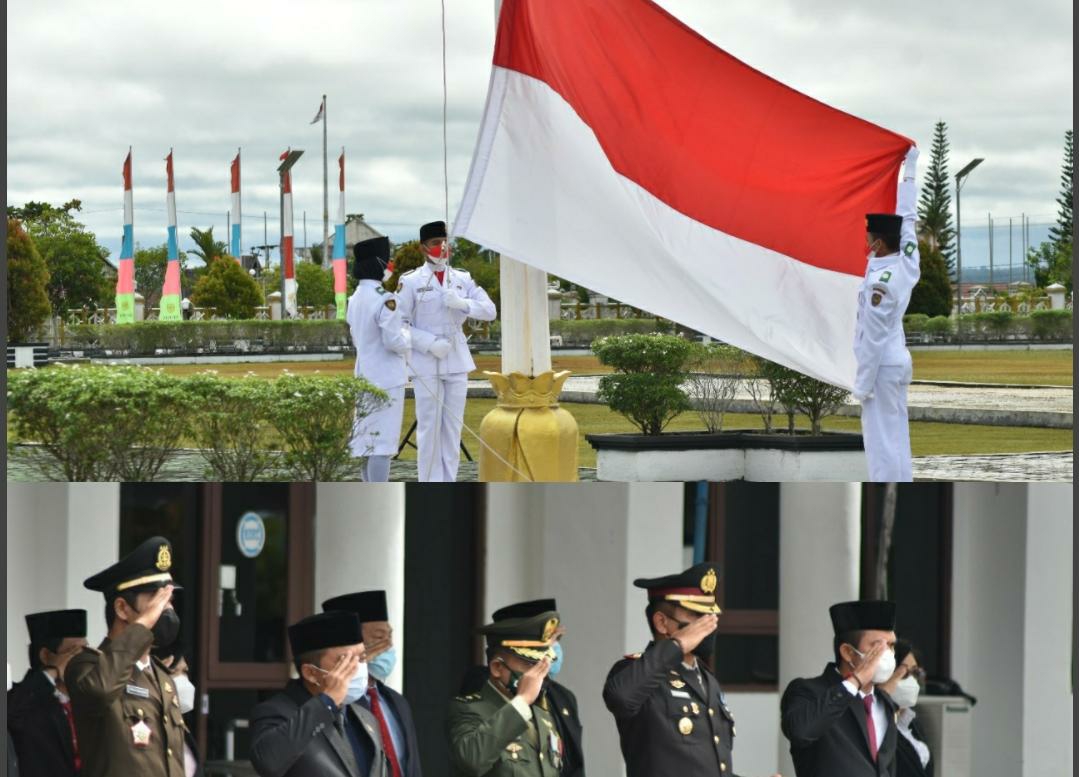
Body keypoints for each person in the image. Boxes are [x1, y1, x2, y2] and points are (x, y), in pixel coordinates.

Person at [604, 563, 771, 777]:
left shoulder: (706, 678)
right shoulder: (636, 672)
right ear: (662, 623)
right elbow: (620, 697)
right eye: (697, 616)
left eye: (710, 615)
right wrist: (676, 646)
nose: (709, 624)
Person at [65, 536, 188, 777]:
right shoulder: (86, 666)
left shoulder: (162, 678)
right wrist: (142, 626)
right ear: (122, 608)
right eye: (156, 599)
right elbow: (100, 690)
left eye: (169, 600)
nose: (167, 609)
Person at [396, 220, 497, 482]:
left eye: (444, 242)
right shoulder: (410, 282)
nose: (441, 247)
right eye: (435, 243)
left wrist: (463, 303)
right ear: (422, 248)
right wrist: (427, 343)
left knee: (453, 428)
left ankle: (448, 481)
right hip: (426, 361)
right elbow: (400, 324)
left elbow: (490, 311)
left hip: (456, 358)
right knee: (429, 428)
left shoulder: (461, 278)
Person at [249, 611, 388, 777]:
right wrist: (326, 702)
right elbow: (268, 762)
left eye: (361, 658)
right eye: (345, 661)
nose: (356, 668)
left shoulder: (365, 717)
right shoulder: (277, 712)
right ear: (311, 673)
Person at [854, 146, 921, 482]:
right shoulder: (906, 262)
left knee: (882, 445)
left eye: (869, 236)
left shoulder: (883, 280)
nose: (865, 240)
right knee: (896, 437)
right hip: (897, 361)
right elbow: (908, 217)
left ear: (879, 244)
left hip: (882, 366)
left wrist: (862, 384)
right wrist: (909, 170)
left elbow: (874, 336)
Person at [458, 600, 584, 777]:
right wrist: (522, 700)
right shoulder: (481, 687)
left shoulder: (559, 697)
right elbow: (473, 758)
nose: (550, 656)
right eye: (532, 659)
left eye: (556, 641)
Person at [780, 600, 900, 777]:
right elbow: (800, 732)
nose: (887, 654)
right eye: (877, 646)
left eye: (891, 646)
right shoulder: (809, 691)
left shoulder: (885, 703)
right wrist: (856, 681)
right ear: (848, 652)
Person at [322, 590, 423, 777]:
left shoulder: (397, 702)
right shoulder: (336, 705)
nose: (388, 646)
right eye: (379, 637)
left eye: (390, 637)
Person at [347, 236, 411, 482]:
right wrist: (408, 337)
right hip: (386, 378)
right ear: (378, 262)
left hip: (364, 375)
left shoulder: (355, 298)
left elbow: (356, 337)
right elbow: (393, 341)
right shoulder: (385, 299)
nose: (390, 265)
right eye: (388, 260)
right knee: (382, 446)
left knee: (366, 444)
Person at [8, 609, 88, 777]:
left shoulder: (87, 699)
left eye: (85, 651)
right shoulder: (23, 697)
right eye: (73, 652)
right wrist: (54, 670)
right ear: (45, 655)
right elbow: (13, 713)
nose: (82, 660)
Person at [879, 640, 931, 777]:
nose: (911, 680)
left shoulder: (912, 723)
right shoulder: (875, 724)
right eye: (903, 673)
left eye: (914, 672)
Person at [152, 650, 202, 777]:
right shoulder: (148, 725)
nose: (182, 678)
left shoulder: (181, 729)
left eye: (184, 671)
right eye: (174, 672)